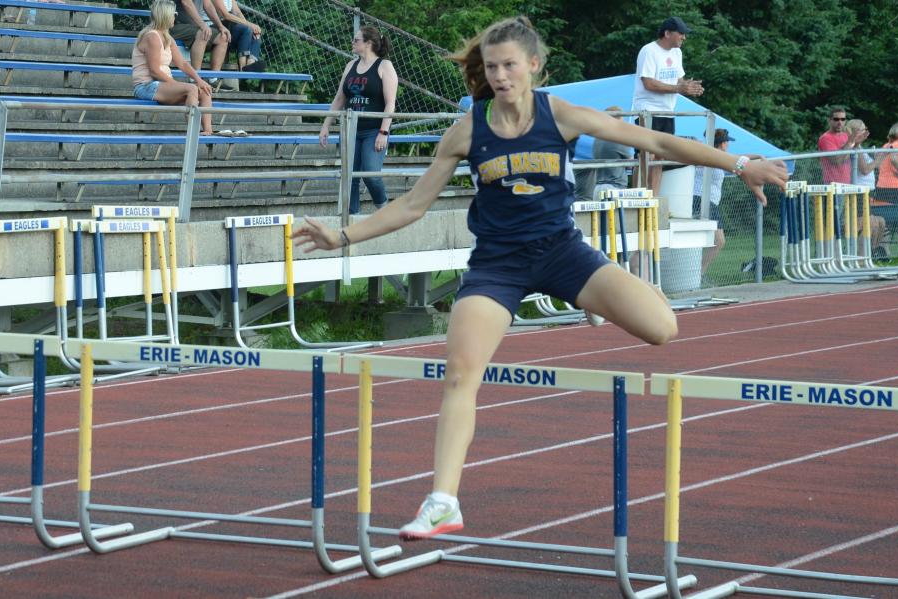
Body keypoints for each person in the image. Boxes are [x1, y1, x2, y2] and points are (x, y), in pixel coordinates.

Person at [292, 16, 787, 540]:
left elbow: (653, 143)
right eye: (491, 67)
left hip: (562, 254)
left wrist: (740, 164)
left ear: (533, 66)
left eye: (510, 65)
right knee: (461, 373)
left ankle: (595, 292)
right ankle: (442, 501)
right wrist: (341, 236)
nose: (500, 76)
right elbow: (413, 205)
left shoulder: (563, 115)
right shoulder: (468, 129)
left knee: (663, 329)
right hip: (497, 266)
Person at [319, 26, 398, 215]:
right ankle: (350, 215)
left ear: (368, 44)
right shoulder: (350, 66)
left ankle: (384, 210)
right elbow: (339, 98)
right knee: (349, 176)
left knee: (370, 173)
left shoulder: (384, 66)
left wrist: (383, 132)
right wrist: (325, 126)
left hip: (373, 130)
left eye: (356, 40)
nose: (352, 43)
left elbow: (390, 103)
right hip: (350, 130)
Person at [631, 16, 703, 195]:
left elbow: (678, 79)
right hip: (647, 111)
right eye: (681, 34)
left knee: (661, 156)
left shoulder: (677, 53)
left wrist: (688, 87)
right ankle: (639, 194)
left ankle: (654, 196)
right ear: (667, 33)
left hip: (667, 112)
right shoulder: (649, 51)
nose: (684, 38)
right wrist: (679, 87)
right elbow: (648, 83)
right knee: (645, 155)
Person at [132, 0, 214, 136]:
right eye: (173, 14)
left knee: (204, 91)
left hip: (162, 85)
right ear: (165, 16)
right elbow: (154, 71)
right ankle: (193, 133)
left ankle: (208, 131)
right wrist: (177, 84)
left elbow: (182, 64)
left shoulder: (167, 37)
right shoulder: (152, 36)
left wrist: (199, 80)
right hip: (146, 86)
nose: (175, 17)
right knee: (191, 89)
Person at [691, 128, 755, 278]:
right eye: (727, 142)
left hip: (702, 200)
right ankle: (698, 274)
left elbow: (738, 158)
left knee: (705, 239)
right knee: (719, 241)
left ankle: (695, 274)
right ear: (722, 143)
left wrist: (758, 156)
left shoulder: (713, 155)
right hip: (704, 200)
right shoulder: (716, 158)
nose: (728, 145)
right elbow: (738, 165)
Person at [844, 119, 888, 255]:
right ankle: (861, 255)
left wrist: (877, 159)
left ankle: (872, 252)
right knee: (871, 224)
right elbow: (864, 169)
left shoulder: (860, 147)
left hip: (867, 193)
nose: (866, 132)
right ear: (855, 132)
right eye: (863, 129)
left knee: (881, 222)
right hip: (857, 193)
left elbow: (871, 167)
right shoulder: (855, 148)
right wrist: (879, 160)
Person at [874, 122, 898, 256]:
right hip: (896, 189)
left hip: (882, 188)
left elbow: (877, 163)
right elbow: (895, 158)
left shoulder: (886, 146)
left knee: (886, 221)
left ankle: (885, 252)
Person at [169, 0, 230, 75]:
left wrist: (221, 26)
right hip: (172, 25)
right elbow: (186, 3)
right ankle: (195, 77)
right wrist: (203, 25)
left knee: (223, 37)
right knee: (203, 33)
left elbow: (208, 6)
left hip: (192, 27)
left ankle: (214, 78)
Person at [206, 0, 264, 72]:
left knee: (254, 34)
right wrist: (248, 24)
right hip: (213, 26)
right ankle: (242, 68)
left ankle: (250, 64)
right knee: (246, 29)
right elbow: (225, 15)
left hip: (227, 27)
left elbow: (237, 13)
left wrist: (251, 26)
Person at [817, 106, 865, 184]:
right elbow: (837, 161)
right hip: (832, 185)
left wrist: (856, 144)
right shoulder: (825, 138)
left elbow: (848, 155)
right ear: (829, 120)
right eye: (836, 119)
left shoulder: (845, 136)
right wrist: (849, 144)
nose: (840, 122)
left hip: (847, 182)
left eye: (843, 119)